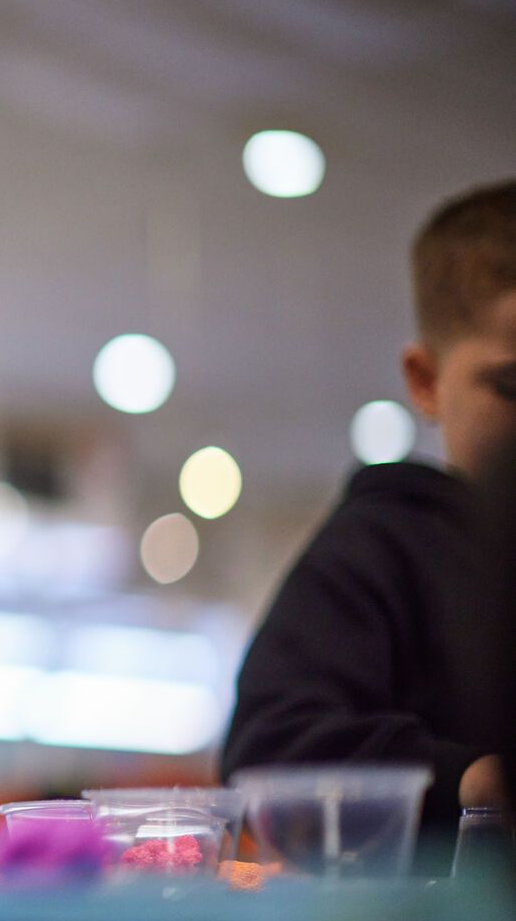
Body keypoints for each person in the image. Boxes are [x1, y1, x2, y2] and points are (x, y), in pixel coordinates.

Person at [221, 180, 516, 868]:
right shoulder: (379, 547)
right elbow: (270, 755)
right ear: (424, 380)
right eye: (511, 387)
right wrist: (480, 782)